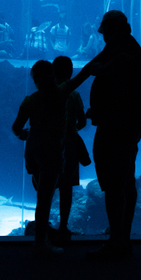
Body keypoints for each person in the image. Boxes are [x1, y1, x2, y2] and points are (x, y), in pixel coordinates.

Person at [61, 10, 141, 259]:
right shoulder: (130, 46)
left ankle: (116, 242)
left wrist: (68, 87)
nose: (103, 36)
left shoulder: (120, 47)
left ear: (109, 29)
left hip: (115, 126)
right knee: (126, 179)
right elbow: (93, 68)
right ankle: (123, 238)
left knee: (113, 183)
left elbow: (97, 68)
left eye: (104, 31)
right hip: (130, 124)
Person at [11, 60, 66, 256]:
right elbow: (81, 77)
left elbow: (16, 127)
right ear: (53, 75)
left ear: (34, 78)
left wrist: (22, 135)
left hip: (33, 150)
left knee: (41, 196)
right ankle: (41, 242)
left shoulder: (30, 100)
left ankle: (41, 239)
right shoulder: (61, 94)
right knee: (45, 197)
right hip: (51, 149)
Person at [52, 55, 90, 245]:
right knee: (66, 188)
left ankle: (43, 225)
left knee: (46, 185)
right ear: (71, 72)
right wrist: (72, 128)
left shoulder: (45, 93)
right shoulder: (74, 95)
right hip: (68, 143)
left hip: (48, 142)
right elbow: (82, 121)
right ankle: (63, 226)